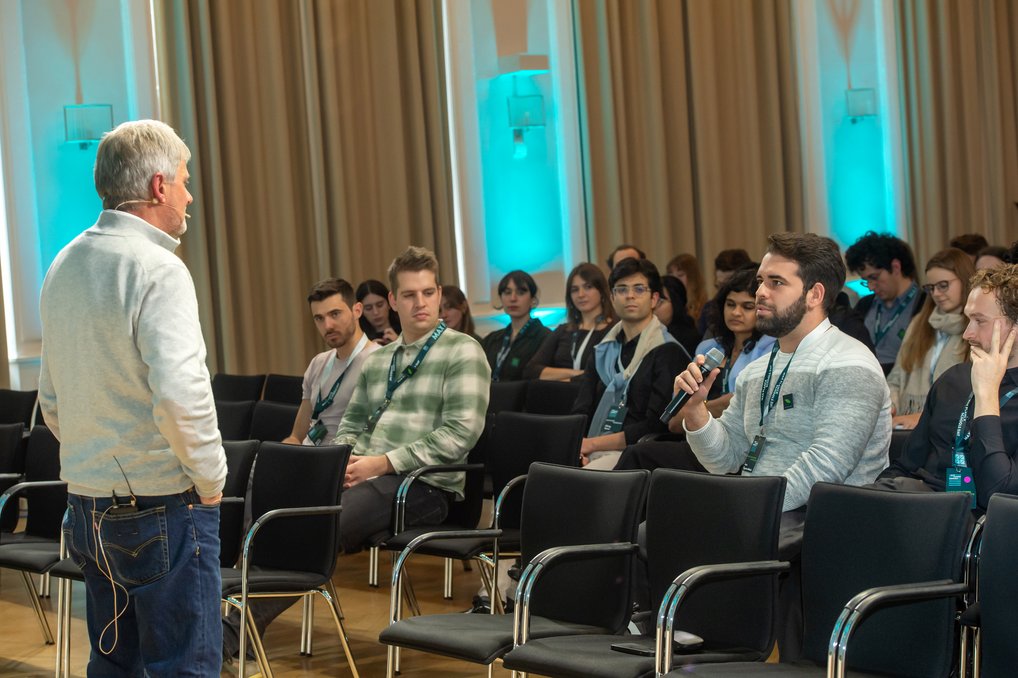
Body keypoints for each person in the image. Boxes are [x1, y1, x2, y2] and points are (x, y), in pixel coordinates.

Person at [38, 120, 226, 675]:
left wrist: (95, 459)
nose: (190, 195)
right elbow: (180, 396)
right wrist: (211, 480)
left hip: (87, 502)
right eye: (186, 181)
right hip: (163, 501)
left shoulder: (63, 264)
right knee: (184, 666)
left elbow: (51, 398)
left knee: (114, 667)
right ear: (160, 186)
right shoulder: (159, 269)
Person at [673, 232, 890, 513]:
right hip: (765, 514)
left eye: (776, 283)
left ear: (814, 294)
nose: (760, 292)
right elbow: (724, 459)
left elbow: (826, 466)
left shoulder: (848, 363)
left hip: (824, 523)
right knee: (658, 526)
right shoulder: (757, 371)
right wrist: (696, 411)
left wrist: (750, 508)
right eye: (761, 281)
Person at [333, 246, 490, 551]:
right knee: (279, 505)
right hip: (366, 476)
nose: (421, 303)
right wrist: (343, 462)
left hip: (424, 485)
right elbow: (351, 422)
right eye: (409, 295)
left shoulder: (464, 351)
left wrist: (383, 464)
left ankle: (250, 597)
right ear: (393, 300)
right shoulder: (378, 360)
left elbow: (460, 435)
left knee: (324, 525)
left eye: (428, 292)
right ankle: (235, 592)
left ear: (439, 294)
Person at [876, 264, 1018, 512]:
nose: (967, 333)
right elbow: (906, 464)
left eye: (979, 321)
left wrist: (986, 396)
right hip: (920, 506)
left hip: (977, 524)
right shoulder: (955, 379)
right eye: (968, 319)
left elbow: (1000, 496)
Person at [573, 258, 687, 469]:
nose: (630, 296)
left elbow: (657, 424)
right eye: (622, 289)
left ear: (654, 299)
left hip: (635, 454)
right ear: (612, 297)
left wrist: (591, 444)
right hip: (589, 447)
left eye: (639, 289)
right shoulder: (602, 350)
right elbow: (582, 407)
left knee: (573, 482)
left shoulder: (668, 351)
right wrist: (579, 447)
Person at [283, 278, 380, 445]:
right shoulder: (318, 363)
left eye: (335, 314)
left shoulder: (378, 360)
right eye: (319, 318)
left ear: (357, 310)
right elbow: (296, 436)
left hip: (344, 461)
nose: (328, 326)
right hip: (308, 456)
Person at [885, 249, 974, 430]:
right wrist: (890, 406)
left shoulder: (976, 326)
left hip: (954, 428)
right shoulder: (920, 323)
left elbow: (975, 394)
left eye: (943, 285)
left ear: (965, 282)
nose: (937, 294)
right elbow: (896, 377)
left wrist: (925, 417)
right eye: (931, 288)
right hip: (907, 423)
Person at [690, 266, 776, 420]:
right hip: (697, 433)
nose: (736, 312)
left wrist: (697, 409)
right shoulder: (708, 347)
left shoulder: (772, 347)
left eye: (747, 307)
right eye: (730, 304)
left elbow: (743, 403)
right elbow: (677, 417)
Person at [845, 231, 926, 374]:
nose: (870, 286)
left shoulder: (925, 304)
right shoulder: (864, 305)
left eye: (874, 277)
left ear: (895, 267)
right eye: (866, 281)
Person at [525, 263, 615, 381]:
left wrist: (562, 378)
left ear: (602, 291)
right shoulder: (563, 330)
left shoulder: (614, 330)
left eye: (588, 287)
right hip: (560, 396)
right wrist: (578, 374)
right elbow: (531, 371)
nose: (581, 295)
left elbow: (606, 376)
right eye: (575, 290)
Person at [480, 270, 551, 382]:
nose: (513, 298)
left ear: (532, 299)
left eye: (520, 293)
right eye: (507, 292)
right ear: (501, 298)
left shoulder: (545, 337)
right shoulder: (492, 339)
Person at [655, 274, 701, 358]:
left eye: (660, 301)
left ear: (676, 303)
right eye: (652, 299)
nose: (653, 306)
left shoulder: (689, 338)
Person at [356, 278, 402, 345]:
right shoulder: (359, 339)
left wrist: (399, 343)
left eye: (380, 305)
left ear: (390, 303)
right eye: (368, 308)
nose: (376, 312)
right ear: (360, 311)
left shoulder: (405, 329)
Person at [665, 253, 708, 322]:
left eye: (680, 275)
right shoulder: (665, 306)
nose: (674, 279)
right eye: (670, 275)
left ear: (693, 279)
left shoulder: (706, 310)